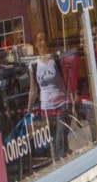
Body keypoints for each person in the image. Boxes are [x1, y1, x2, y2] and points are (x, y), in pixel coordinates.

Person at [27, 32, 73, 160]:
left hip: (61, 104)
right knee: (54, 140)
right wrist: (28, 111)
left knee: (59, 138)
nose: (43, 43)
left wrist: (70, 100)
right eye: (40, 40)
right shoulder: (34, 66)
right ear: (36, 44)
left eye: (45, 40)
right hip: (46, 108)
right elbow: (33, 90)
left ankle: (60, 163)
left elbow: (68, 80)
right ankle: (66, 157)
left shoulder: (56, 60)